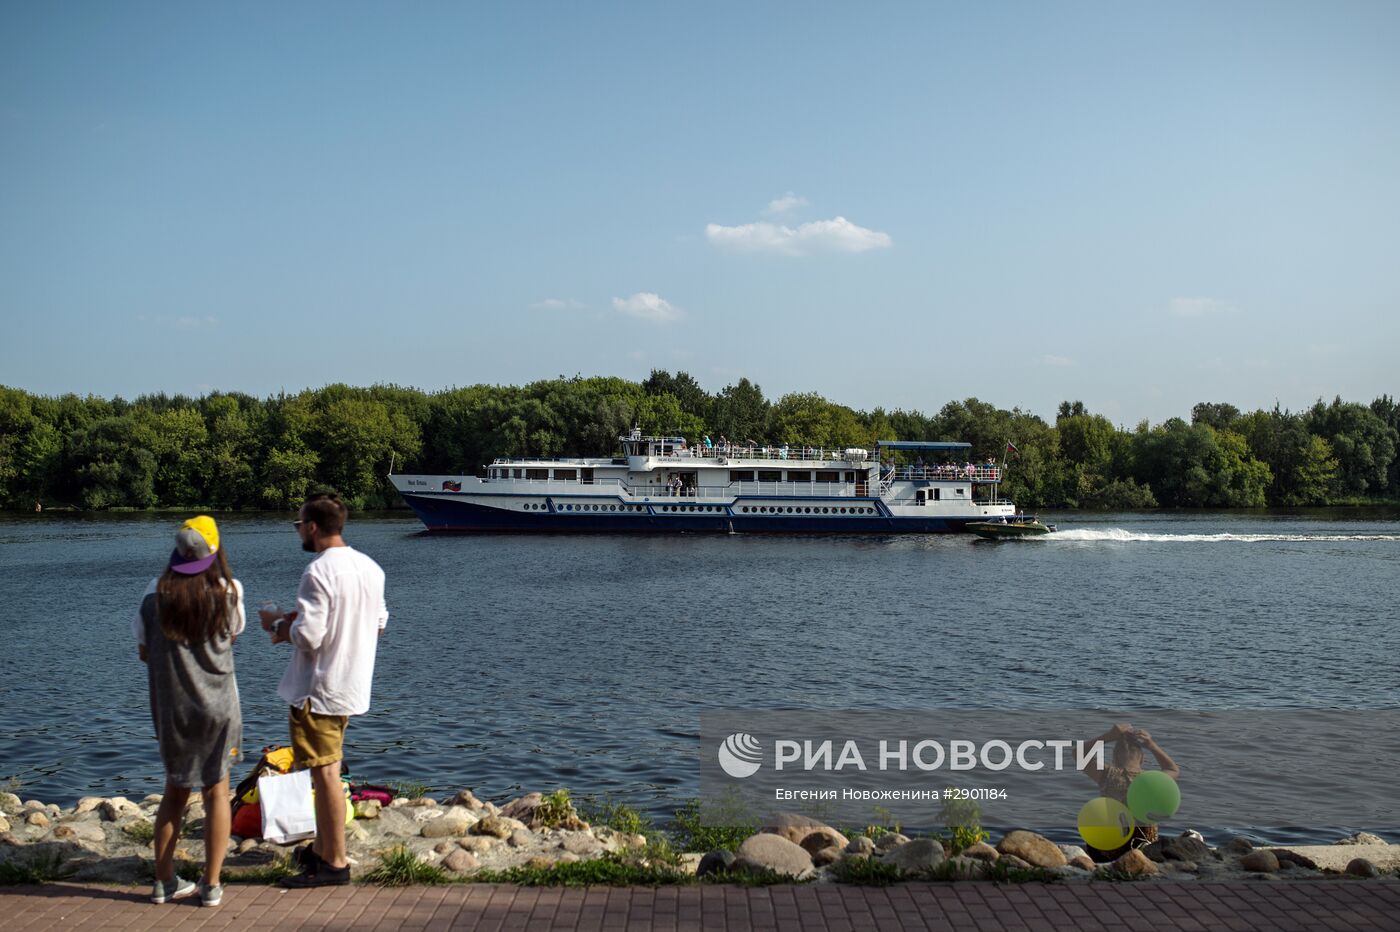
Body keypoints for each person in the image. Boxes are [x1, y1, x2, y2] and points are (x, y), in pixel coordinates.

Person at [260, 492, 388, 888]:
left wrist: (278, 625)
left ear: (313, 527)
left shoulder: (317, 572)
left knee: (326, 774)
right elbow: (378, 621)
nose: (298, 531)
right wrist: (301, 618)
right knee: (325, 770)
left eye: (299, 524)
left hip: (319, 688)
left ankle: (335, 862)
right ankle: (321, 850)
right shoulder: (370, 567)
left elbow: (310, 637)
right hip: (350, 683)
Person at [135, 515, 244, 908]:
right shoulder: (230, 592)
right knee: (218, 793)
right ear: (214, 552)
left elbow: (144, 651)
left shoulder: (152, 597)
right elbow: (233, 634)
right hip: (219, 709)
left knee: (174, 793)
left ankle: (163, 881)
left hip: (173, 712)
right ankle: (211, 884)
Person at [1082, 722, 1180, 861]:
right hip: (1145, 847)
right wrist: (1152, 745)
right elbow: (1173, 769)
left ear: (1115, 755)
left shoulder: (1107, 775)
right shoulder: (1154, 780)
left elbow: (1079, 754)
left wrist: (1108, 736)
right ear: (1142, 758)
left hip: (1111, 848)